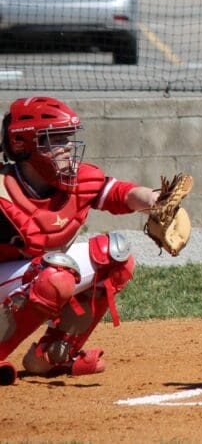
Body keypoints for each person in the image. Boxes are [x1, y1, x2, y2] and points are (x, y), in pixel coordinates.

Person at [0, 96, 166, 386]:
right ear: (22, 144)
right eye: (55, 139)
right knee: (54, 275)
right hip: (11, 279)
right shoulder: (3, 192)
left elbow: (122, 194)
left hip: (33, 276)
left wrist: (154, 200)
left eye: (67, 137)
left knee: (114, 257)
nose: (67, 146)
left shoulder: (77, 180)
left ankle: (52, 355)